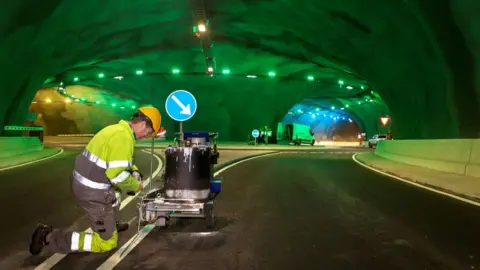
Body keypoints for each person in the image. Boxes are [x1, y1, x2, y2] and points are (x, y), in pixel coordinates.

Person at [29, 106, 161, 255]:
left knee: (116, 194)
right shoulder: (124, 138)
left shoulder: (117, 130)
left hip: (84, 182)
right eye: (149, 132)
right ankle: (49, 237)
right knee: (107, 243)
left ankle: (112, 223)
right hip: (92, 191)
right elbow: (116, 174)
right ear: (144, 124)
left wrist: (134, 170)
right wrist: (135, 185)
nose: (146, 136)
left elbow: (120, 161)